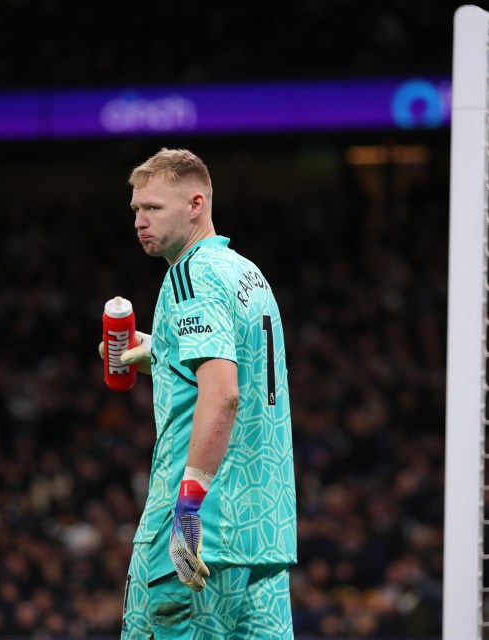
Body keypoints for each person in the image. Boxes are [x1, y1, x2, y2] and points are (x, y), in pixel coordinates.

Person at [102, 148, 297, 638]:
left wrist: (188, 504)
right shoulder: (245, 273)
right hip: (261, 537)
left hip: (197, 535)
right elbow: (240, 374)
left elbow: (223, 393)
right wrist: (158, 351)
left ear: (195, 204)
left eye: (153, 208)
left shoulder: (190, 275)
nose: (139, 221)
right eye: (136, 210)